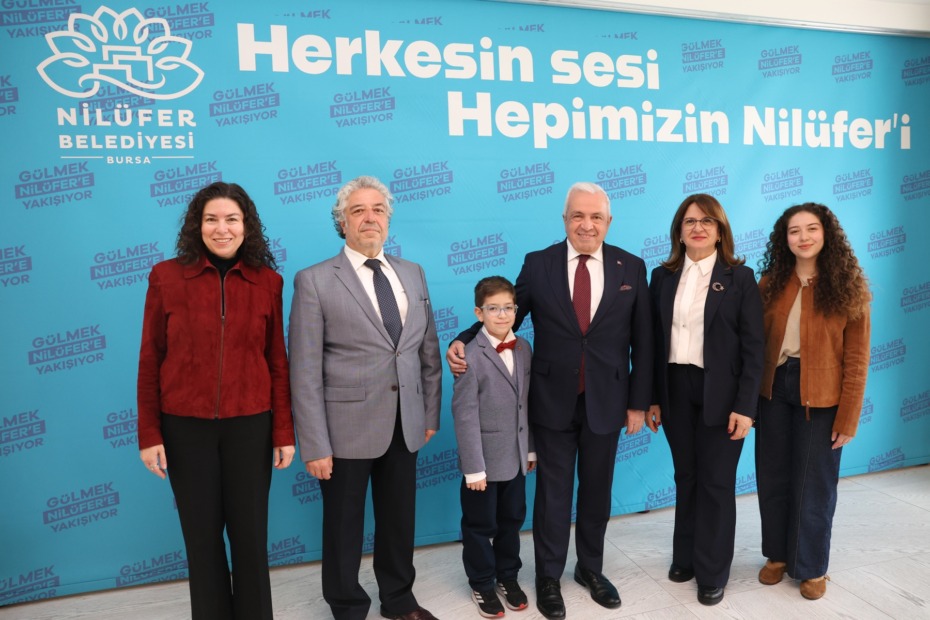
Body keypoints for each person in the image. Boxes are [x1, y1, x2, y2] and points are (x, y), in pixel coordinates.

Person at [448, 182, 653, 620]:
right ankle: (548, 577)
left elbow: (645, 340)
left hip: (608, 401)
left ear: (609, 221)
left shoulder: (632, 267)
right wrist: (463, 339)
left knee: (596, 493)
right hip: (551, 401)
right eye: (578, 215)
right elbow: (507, 316)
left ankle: (591, 569)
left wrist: (639, 402)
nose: (586, 224)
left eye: (595, 217)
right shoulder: (538, 264)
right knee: (552, 497)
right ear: (564, 219)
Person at [137, 181, 295, 620]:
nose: (221, 229)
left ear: (247, 226)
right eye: (211, 219)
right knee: (202, 539)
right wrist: (149, 433)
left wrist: (283, 431)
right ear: (197, 225)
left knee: (251, 538)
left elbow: (277, 361)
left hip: (251, 426)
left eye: (231, 219)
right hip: (185, 429)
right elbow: (151, 358)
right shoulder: (166, 277)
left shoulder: (268, 282)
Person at [288, 176, 443, 620]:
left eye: (378, 209)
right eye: (358, 210)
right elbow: (304, 370)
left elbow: (427, 350)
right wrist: (314, 444)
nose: (369, 217)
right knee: (343, 527)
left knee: (398, 521)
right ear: (342, 222)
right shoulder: (314, 280)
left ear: (388, 219)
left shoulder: (413, 272)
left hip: (406, 422)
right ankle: (348, 607)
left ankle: (399, 599)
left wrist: (429, 414)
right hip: (344, 431)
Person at [645, 194, 764, 606]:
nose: (698, 227)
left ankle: (712, 571)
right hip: (674, 388)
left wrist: (746, 407)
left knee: (716, 481)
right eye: (690, 221)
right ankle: (686, 557)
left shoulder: (740, 278)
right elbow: (651, 343)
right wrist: (652, 398)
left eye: (707, 221)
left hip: (724, 395)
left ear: (720, 231)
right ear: (679, 231)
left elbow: (755, 348)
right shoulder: (662, 277)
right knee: (687, 476)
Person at [755, 203, 870, 600]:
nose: (803, 237)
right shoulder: (770, 283)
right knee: (772, 476)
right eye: (794, 231)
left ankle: (811, 566)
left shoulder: (849, 287)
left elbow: (857, 358)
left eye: (812, 229)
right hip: (773, 389)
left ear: (827, 234)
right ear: (784, 239)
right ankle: (777, 556)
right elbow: (753, 345)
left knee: (814, 484)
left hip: (822, 395)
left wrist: (848, 417)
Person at [452, 276, 536, 618]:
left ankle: (507, 575)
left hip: (515, 457)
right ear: (479, 313)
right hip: (483, 464)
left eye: (508, 308)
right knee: (479, 526)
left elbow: (527, 404)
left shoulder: (524, 348)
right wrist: (473, 468)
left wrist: (530, 449)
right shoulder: (469, 355)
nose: (502, 315)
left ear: (516, 310)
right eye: (493, 309)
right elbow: (465, 415)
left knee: (511, 520)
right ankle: (482, 582)